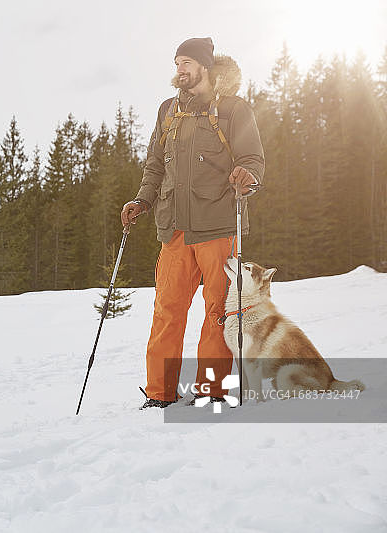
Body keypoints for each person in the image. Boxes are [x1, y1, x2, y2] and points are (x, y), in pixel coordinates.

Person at [121, 37, 265, 409]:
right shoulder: (168, 110)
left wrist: (247, 173)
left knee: (218, 312)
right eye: (176, 63)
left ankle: (211, 391)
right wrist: (142, 200)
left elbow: (253, 158)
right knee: (167, 310)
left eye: (186, 62)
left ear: (205, 66)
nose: (179, 70)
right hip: (175, 229)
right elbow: (155, 165)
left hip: (218, 225)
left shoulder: (234, 109)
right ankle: (160, 394)